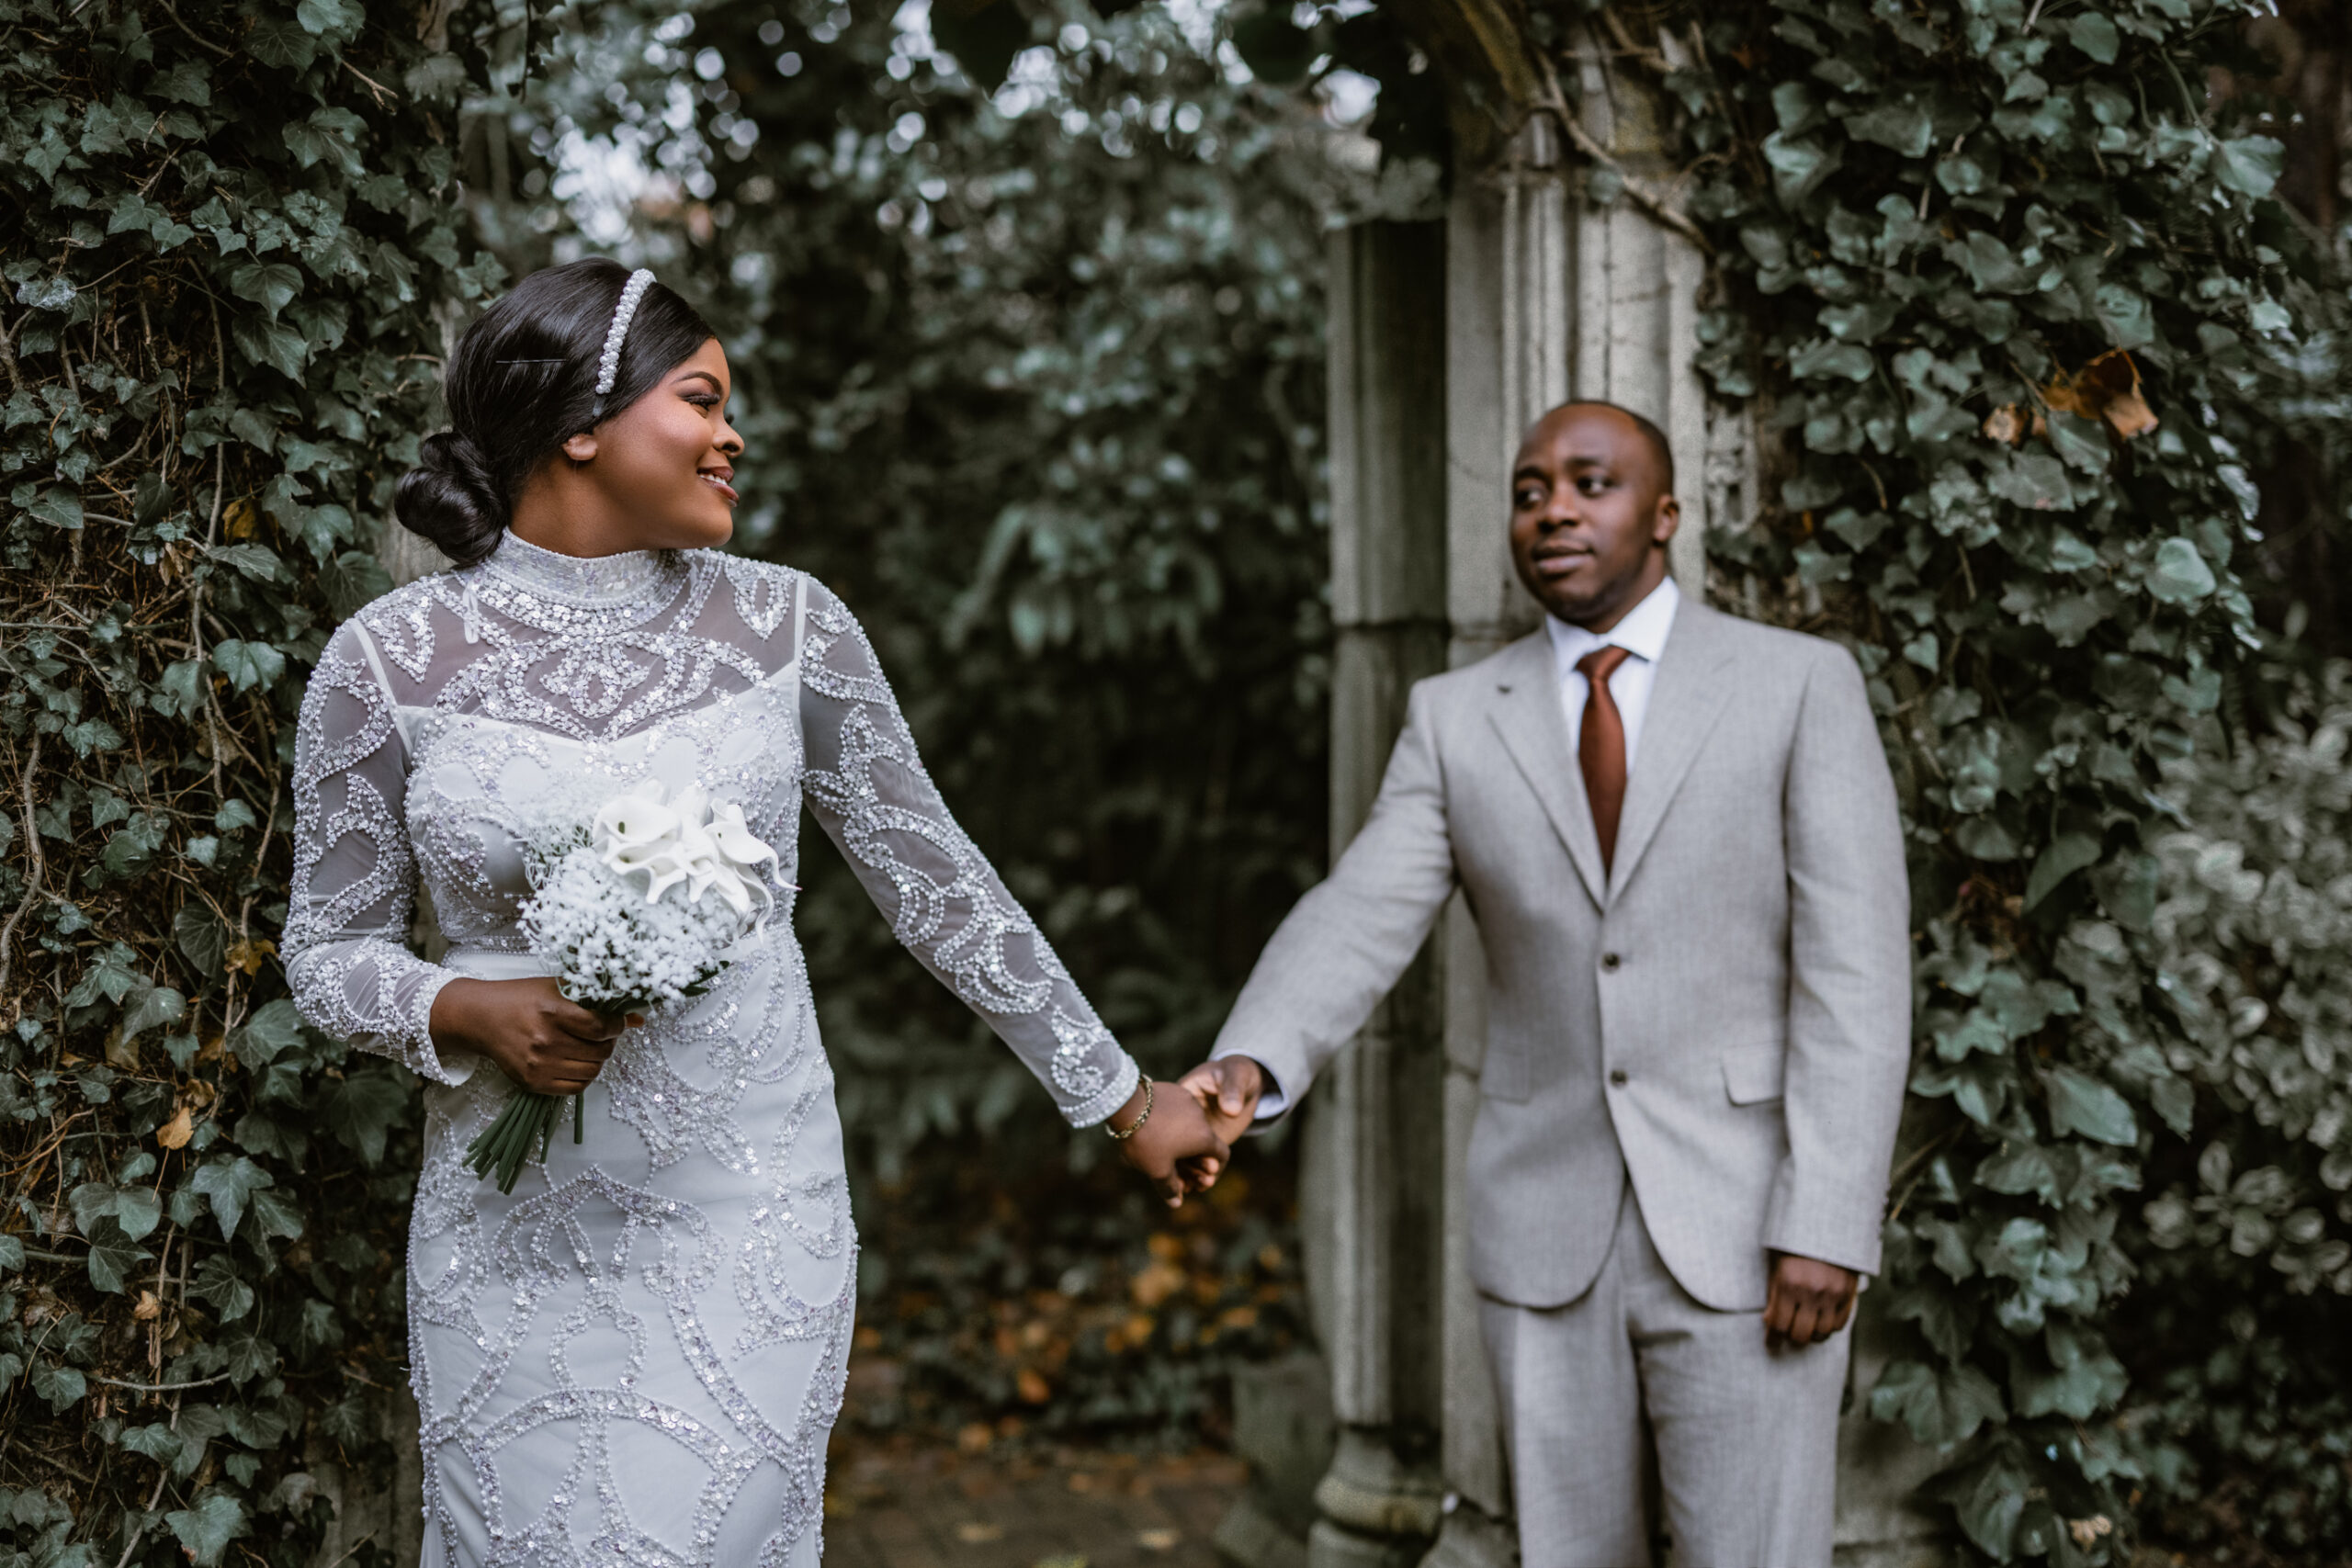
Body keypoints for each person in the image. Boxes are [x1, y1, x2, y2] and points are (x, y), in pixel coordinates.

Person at [282, 258, 1228, 1567]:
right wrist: (467, 1005)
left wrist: (1124, 1096)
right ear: (581, 423)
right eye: (703, 399)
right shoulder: (385, 662)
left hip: (745, 1214)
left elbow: (937, 883)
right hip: (510, 1234)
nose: (734, 435)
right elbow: (326, 952)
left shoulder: (789, 628)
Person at [1179, 402, 1911, 1567]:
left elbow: (1856, 975)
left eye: (1590, 484)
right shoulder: (1455, 717)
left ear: (1664, 515)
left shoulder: (1797, 686)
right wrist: (1248, 1061)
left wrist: (1826, 1219)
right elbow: (1360, 912)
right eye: (1529, 491)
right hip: (1541, 1234)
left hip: (1751, 1234)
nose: (1554, 511)